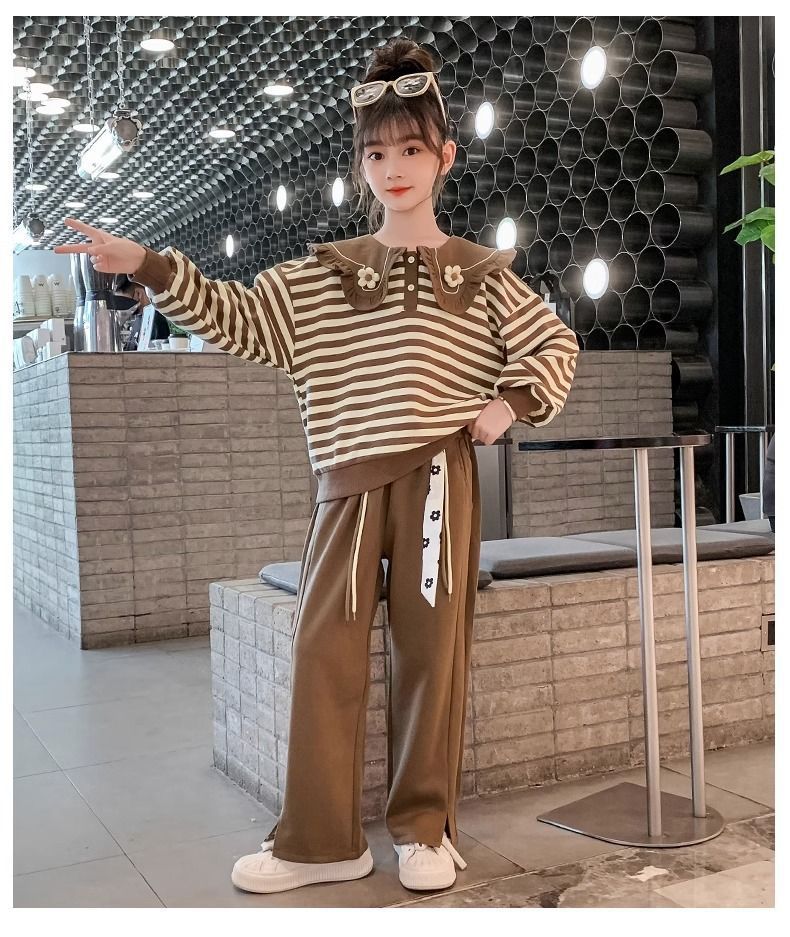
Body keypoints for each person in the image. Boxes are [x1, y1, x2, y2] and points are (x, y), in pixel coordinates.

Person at [54, 37, 579, 895]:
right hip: (346, 485)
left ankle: (425, 829)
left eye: (411, 149)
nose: (393, 168)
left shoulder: (482, 277)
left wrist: (507, 405)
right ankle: (320, 839)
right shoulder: (324, 277)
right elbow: (237, 316)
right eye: (376, 153)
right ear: (360, 162)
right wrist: (147, 265)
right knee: (323, 652)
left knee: (432, 654)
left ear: (445, 155)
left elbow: (554, 347)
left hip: (439, 477)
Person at [112, 273, 171, 350]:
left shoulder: (156, 322)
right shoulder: (137, 321)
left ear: (138, 294)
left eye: (122, 302)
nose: (121, 308)